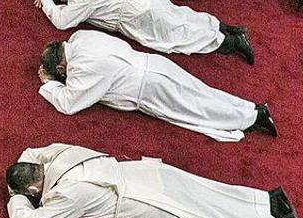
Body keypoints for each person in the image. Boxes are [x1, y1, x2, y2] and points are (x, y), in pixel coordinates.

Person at [4, 143, 303, 218]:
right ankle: (265, 202)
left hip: (139, 205)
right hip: (143, 174)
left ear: (33, 187)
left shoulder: (65, 195)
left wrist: (17, 199)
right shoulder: (57, 152)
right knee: (207, 194)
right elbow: (30, 153)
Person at [38, 31, 277, 142]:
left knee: (197, 110)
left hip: (150, 89)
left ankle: (251, 119)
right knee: (202, 92)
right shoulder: (80, 38)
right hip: (155, 64)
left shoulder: (82, 69)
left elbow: (69, 104)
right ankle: (251, 109)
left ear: (61, 68)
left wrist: (49, 85)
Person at [35, 0, 254, 63]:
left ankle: (233, 43)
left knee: (179, 36)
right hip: (143, 5)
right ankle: (231, 30)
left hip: (136, 16)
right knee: (181, 16)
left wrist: (47, 3)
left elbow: (62, 21)